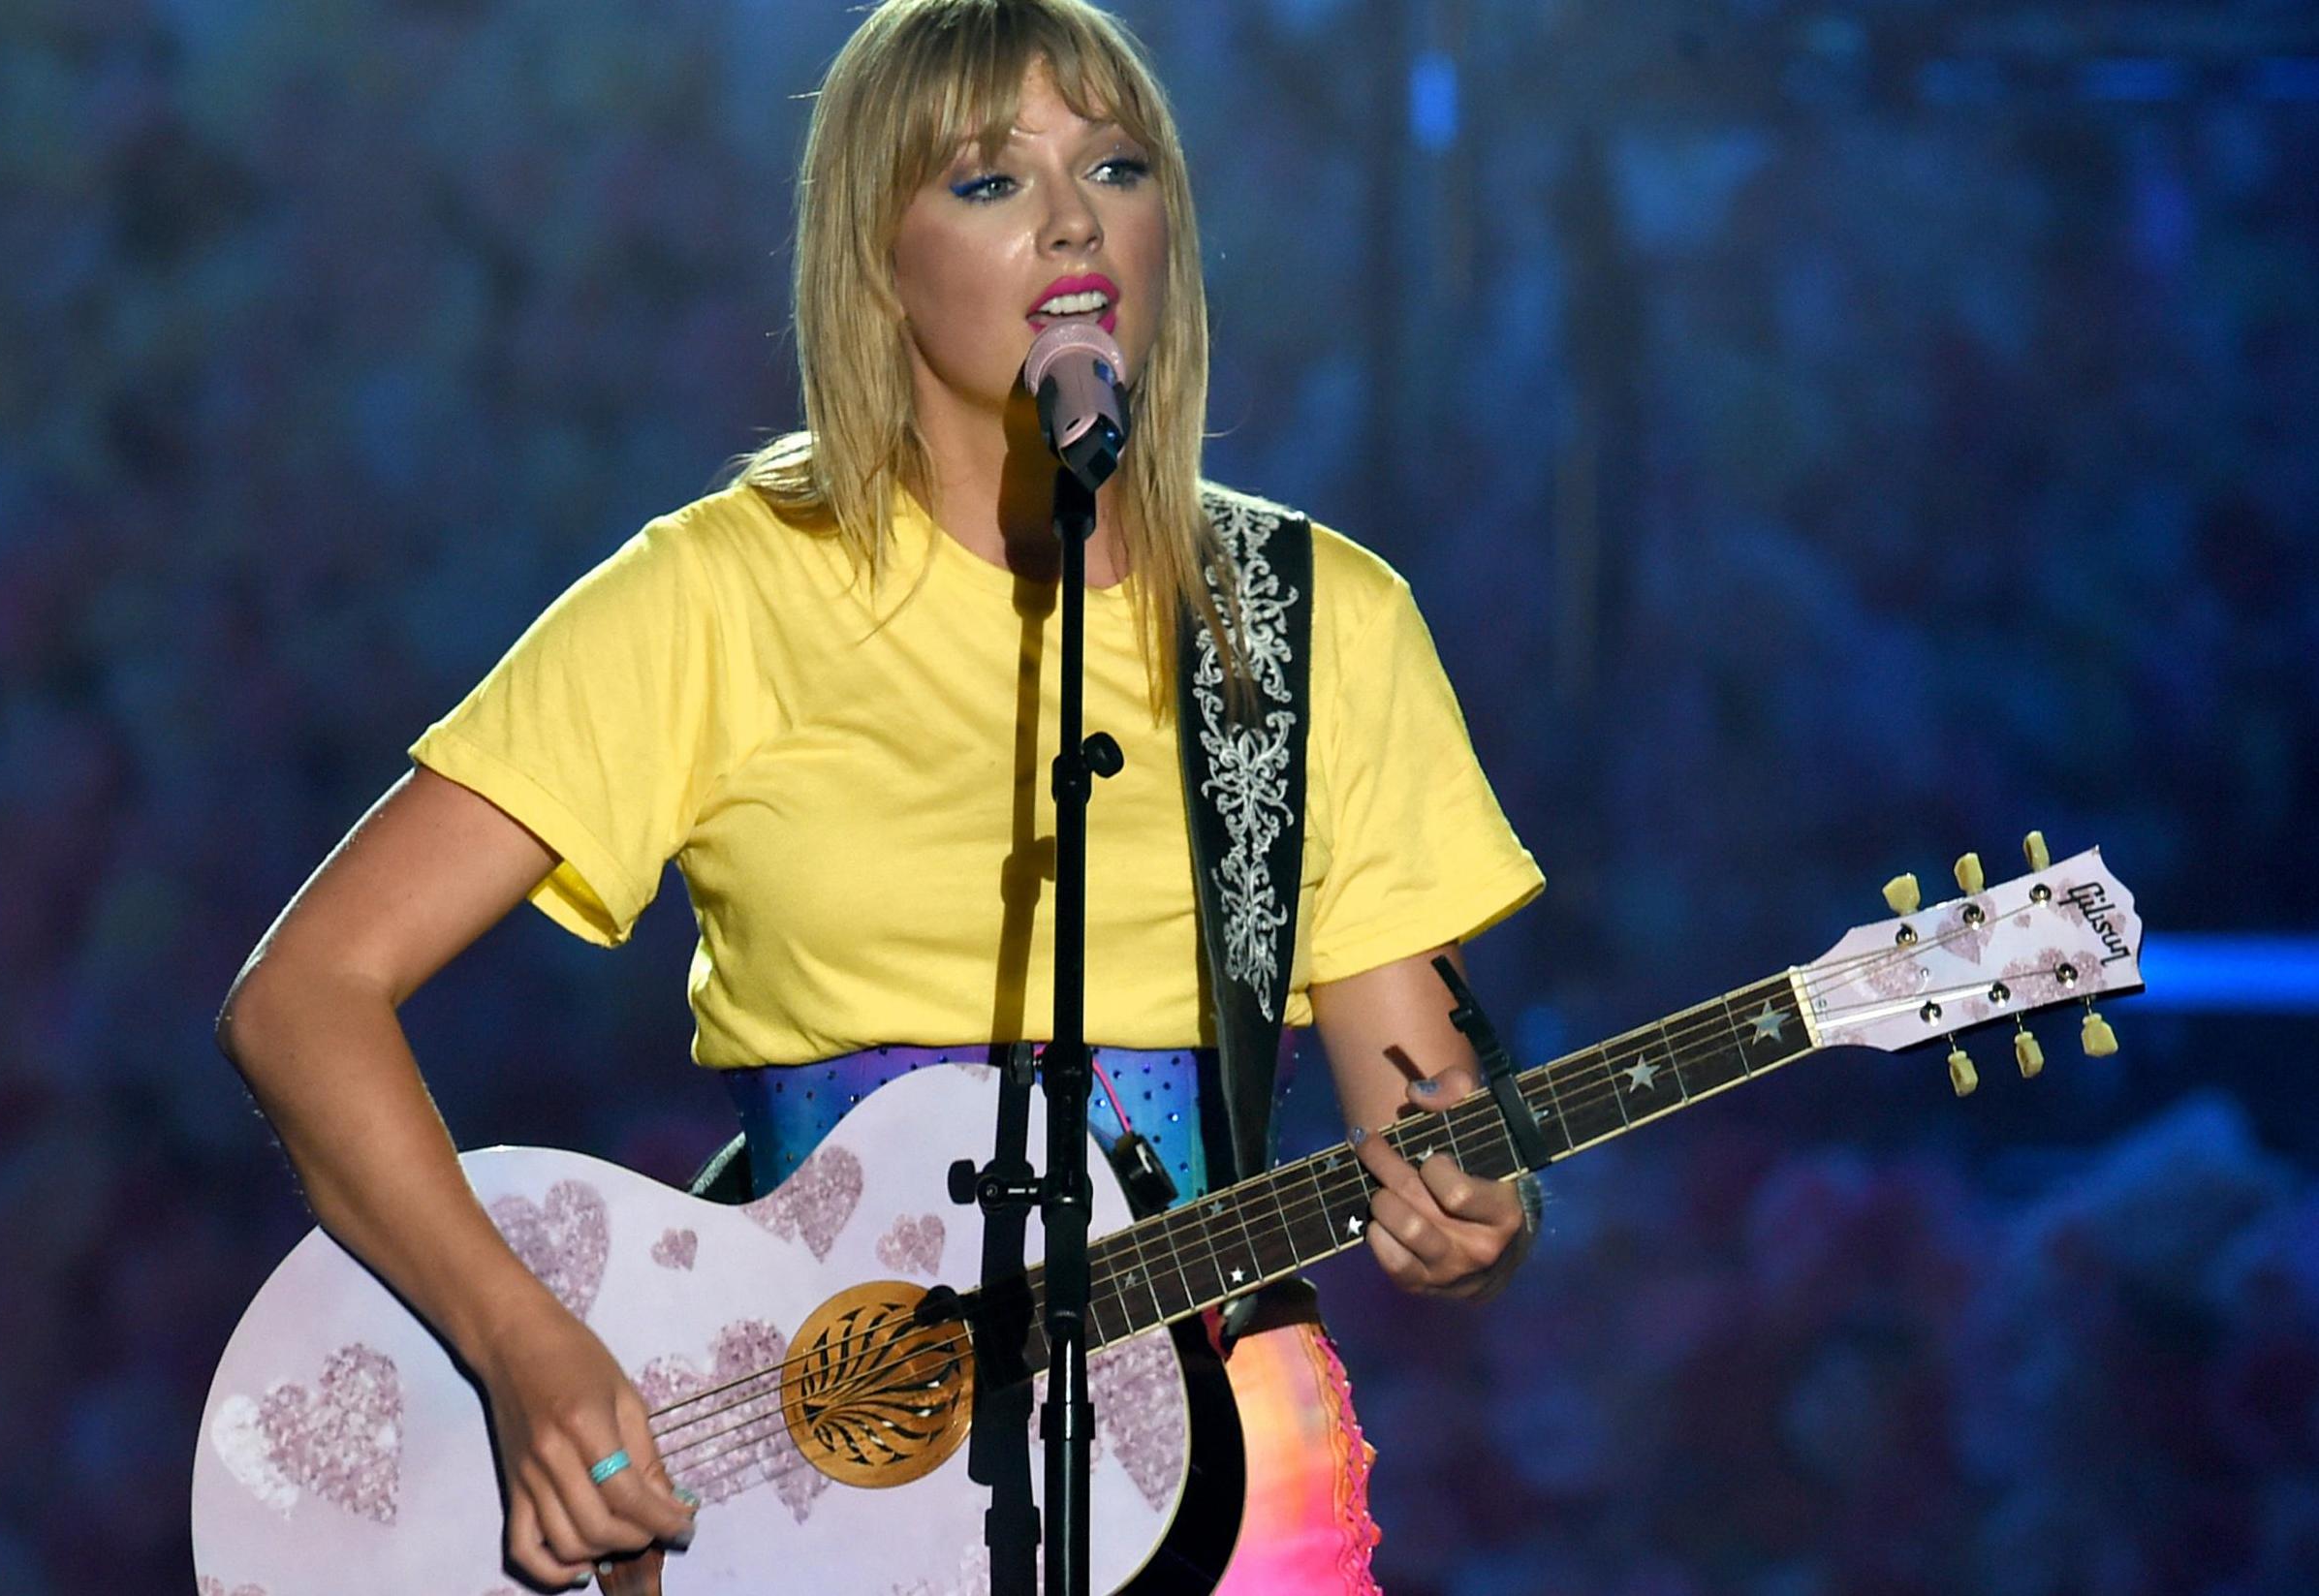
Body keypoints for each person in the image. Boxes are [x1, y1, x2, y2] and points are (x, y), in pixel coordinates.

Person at [215, 0, 1546, 1590]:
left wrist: (1480, 1219)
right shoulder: (722, 593)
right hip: (788, 1492)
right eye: (988, 181)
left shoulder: (1310, 619)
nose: (1071, 217)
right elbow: (307, 994)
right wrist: (521, 1348)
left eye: (1115, 166)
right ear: (874, 257)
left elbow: (1428, 1116)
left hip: (1219, 1458)